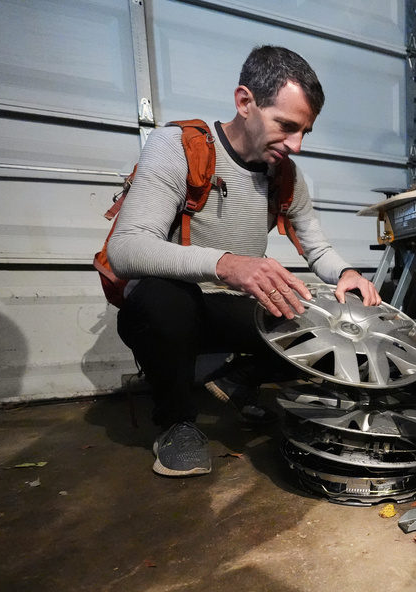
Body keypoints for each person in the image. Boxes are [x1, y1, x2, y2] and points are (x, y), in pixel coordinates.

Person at [108, 45, 381, 478]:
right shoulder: (178, 146)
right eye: (287, 126)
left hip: (238, 308)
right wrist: (228, 265)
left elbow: (318, 249)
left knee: (326, 318)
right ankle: (176, 424)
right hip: (182, 304)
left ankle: (237, 379)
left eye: (304, 131)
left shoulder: (285, 173)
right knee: (161, 297)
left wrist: (347, 274)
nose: (296, 144)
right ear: (245, 102)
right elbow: (126, 249)